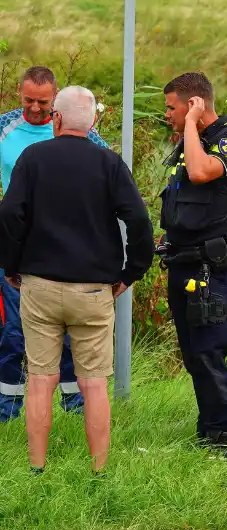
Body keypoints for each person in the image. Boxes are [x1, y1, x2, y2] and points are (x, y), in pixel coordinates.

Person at [0, 85, 154, 474]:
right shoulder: (110, 163)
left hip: (40, 286)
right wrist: (130, 273)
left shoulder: (33, 158)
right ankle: (99, 471)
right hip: (94, 289)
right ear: (94, 121)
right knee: (94, 383)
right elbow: (138, 221)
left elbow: (10, 216)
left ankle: (37, 468)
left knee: (40, 379)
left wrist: (12, 267)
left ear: (57, 119)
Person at [155, 72, 227, 458]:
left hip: (212, 268)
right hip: (183, 261)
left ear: (194, 103)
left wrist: (193, 125)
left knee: (209, 352)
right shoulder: (189, 143)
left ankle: (220, 439)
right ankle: (206, 430)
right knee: (193, 353)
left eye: (172, 107)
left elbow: (201, 173)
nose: (167, 114)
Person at [0, 66, 109, 422]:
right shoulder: (5, 128)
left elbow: (110, 169)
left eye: (43, 102)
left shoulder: (78, 128)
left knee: (68, 332)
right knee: (15, 331)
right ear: (19, 92)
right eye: (28, 99)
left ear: (56, 99)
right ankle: (8, 411)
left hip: (65, 248)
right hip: (14, 246)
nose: (34, 108)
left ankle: (75, 408)